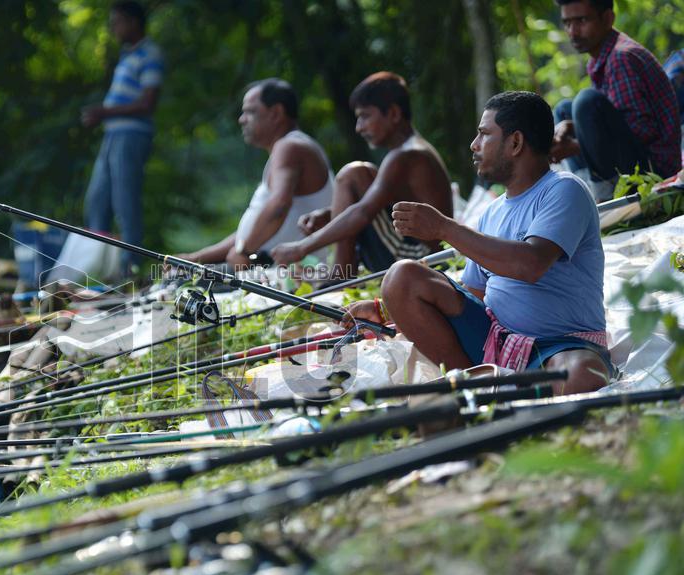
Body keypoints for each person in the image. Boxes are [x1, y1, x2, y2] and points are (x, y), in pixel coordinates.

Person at [346, 91, 612, 396]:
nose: (474, 145)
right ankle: (477, 385)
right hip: (494, 338)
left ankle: (497, 389)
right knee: (400, 278)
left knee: (582, 375)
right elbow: (473, 293)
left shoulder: (565, 191)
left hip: (561, 344)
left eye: (484, 135)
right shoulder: (493, 211)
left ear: (515, 143)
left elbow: (530, 264)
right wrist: (386, 311)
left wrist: (445, 228)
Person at [271, 72, 453, 276]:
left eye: (365, 116)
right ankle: (340, 274)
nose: (359, 127)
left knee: (353, 174)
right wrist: (331, 214)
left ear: (393, 113)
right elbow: (375, 203)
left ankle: (339, 277)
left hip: (424, 256)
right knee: (361, 174)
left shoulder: (405, 154)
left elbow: (363, 212)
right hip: (418, 250)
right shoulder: (407, 151)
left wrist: (301, 247)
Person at [178, 79, 333, 272]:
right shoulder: (287, 149)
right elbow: (251, 232)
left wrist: (244, 252)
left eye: (250, 111)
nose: (242, 119)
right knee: (180, 273)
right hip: (267, 269)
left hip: (284, 276)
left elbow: (279, 205)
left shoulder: (289, 147)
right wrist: (194, 258)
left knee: (174, 283)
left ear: (276, 113)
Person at [550, 0, 681, 201]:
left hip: (654, 173)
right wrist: (576, 128)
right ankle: (587, 194)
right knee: (565, 110)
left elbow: (643, 133)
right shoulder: (601, 56)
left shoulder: (621, 58)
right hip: (633, 156)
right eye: (567, 23)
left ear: (608, 18)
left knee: (586, 102)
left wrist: (577, 146)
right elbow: (617, 123)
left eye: (582, 21)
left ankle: (605, 199)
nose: (573, 32)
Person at [80, 1, 163, 273]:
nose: (113, 28)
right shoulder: (128, 55)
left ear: (133, 22)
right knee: (97, 200)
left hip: (131, 135)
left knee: (125, 202)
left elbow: (147, 102)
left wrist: (104, 111)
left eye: (117, 22)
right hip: (113, 135)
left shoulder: (150, 53)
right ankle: (97, 271)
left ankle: (130, 268)